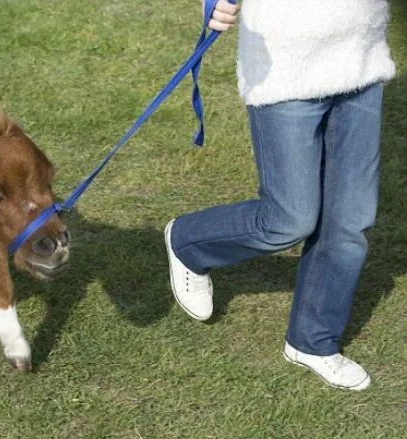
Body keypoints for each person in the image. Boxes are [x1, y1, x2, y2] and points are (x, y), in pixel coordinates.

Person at [165, 0, 396, 390]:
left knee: (350, 220)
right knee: (289, 219)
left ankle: (313, 342)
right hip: (285, 62)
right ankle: (189, 242)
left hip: (361, 54)